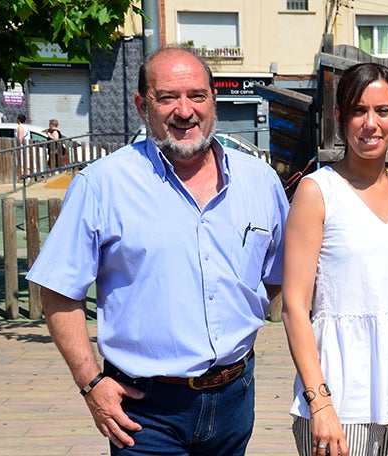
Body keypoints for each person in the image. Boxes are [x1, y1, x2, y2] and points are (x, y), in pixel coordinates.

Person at [27, 47, 289, 455]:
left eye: (197, 96)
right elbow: (58, 290)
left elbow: (280, 279)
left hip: (235, 399)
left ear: (212, 99)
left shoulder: (261, 183)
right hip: (144, 412)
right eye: (167, 97)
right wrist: (90, 382)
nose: (185, 111)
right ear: (141, 105)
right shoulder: (102, 185)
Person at [281, 62, 388, 456]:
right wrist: (319, 402)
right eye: (359, 110)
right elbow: (294, 307)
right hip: (342, 395)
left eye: (383, 111)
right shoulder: (317, 190)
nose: (370, 123)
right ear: (340, 118)